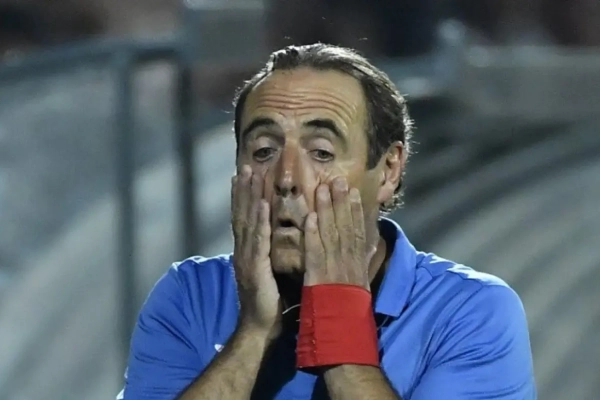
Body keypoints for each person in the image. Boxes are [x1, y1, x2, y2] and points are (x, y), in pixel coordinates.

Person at [118, 44, 536, 399]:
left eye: (321, 153)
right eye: (263, 151)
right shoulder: (189, 296)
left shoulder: (469, 312)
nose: (285, 179)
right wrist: (253, 332)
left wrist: (338, 323)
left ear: (388, 171)